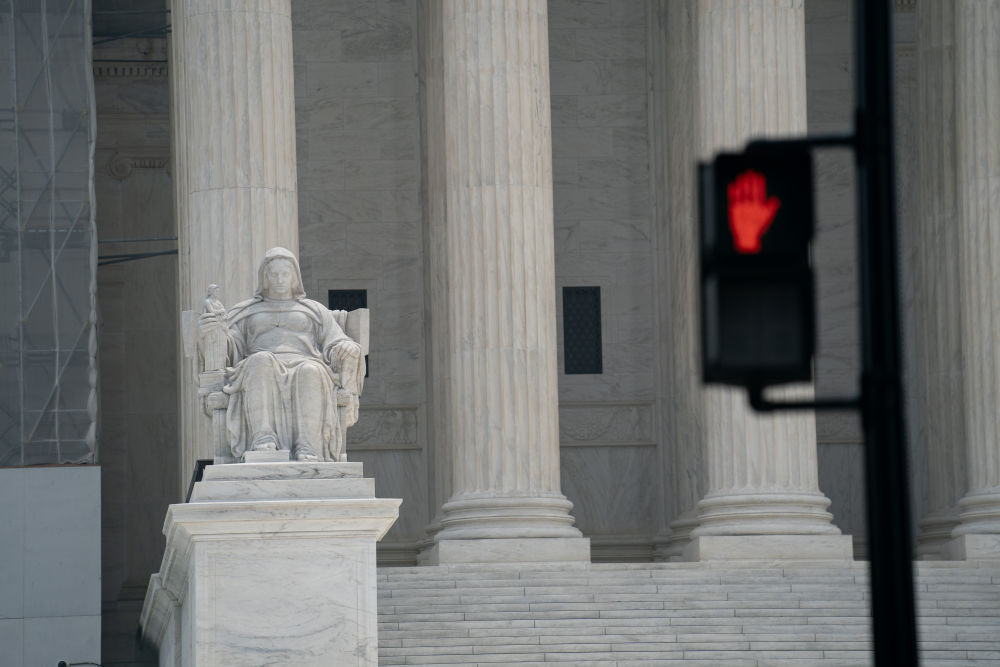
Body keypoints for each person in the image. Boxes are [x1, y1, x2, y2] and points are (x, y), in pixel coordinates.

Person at [199, 247, 362, 462]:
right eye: (273, 274)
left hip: (307, 363)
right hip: (258, 365)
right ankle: (262, 437)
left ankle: (308, 446)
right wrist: (212, 332)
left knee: (311, 370)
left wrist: (348, 347)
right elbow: (230, 347)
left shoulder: (314, 310)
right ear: (264, 278)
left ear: (295, 277)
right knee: (261, 361)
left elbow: (335, 340)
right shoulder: (246, 311)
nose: (279, 280)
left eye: (285, 274)